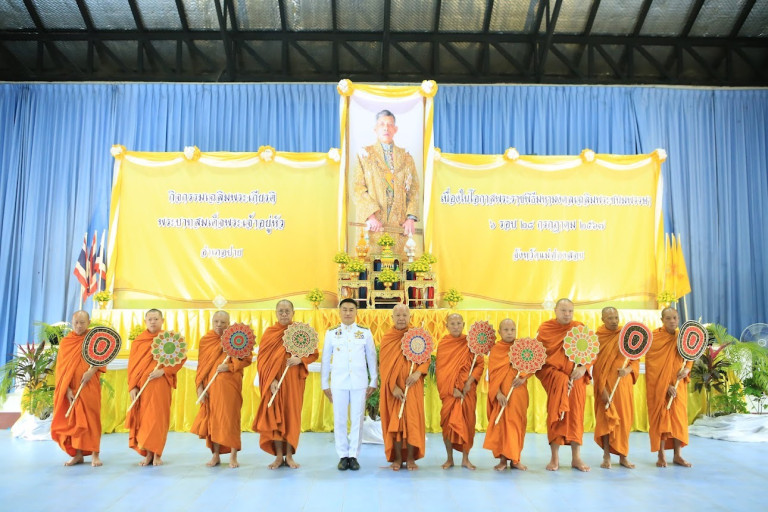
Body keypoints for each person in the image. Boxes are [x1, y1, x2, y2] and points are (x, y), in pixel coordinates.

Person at [252, 300, 319, 469]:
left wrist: (300, 359)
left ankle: (289, 456)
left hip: (293, 382)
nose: (284, 314)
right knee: (276, 419)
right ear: (276, 313)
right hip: (274, 383)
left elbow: (314, 354)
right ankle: (278, 456)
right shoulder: (270, 333)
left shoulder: (300, 331)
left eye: (287, 311)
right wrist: (271, 380)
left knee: (291, 417)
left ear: (293, 313)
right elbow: (262, 361)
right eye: (280, 311)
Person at [321, 298, 378, 471]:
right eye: (344, 309)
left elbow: (371, 357)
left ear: (356, 312)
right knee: (339, 419)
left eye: (351, 310)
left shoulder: (364, 332)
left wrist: (373, 380)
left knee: (357, 419)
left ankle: (353, 455)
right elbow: (325, 359)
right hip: (338, 383)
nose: (347, 313)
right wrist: (325, 384)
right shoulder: (332, 333)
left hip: (359, 382)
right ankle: (342, 455)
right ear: (339, 312)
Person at [353, 109, 420, 254]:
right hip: (374, 225)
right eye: (382, 124)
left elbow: (414, 189)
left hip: (399, 225)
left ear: (395, 129)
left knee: (398, 265)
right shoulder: (365, 155)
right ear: (375, 129)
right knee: (372, 264)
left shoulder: (406, 157)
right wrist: (370, 216)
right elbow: (358, 188)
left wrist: (410, 218)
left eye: (390, 124)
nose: (386, 128)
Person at [535, 298, 591, 472]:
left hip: (576, 380)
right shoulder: (546, 329)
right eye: (563, 311)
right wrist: (559, 377)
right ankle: (554, 458)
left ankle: (576, 457)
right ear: (555, 311)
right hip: (556, 380)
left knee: (576, 417)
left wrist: (583, 367)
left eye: (570, 311)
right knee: (555, 415)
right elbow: (539, 356)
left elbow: (591, 352)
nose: (567, 314)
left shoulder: (579, 328)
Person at [191, 311, 252, 468]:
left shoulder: (236, 338)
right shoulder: (206, 340)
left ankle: (233, 456)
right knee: (214, 420)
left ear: (228, 323)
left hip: (230, 386)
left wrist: (229, 366)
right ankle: (215, 455)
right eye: (216, 321)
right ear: (212, 322)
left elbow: (247, 360)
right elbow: (201, 366)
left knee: (231, 419)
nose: (219, 325)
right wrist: (200, 387)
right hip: (211, 387)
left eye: (223, 322)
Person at [126, 308, 186, 466]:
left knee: (158, 419)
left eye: (156, 319)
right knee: (144, 420)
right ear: (145, 321)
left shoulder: (169, 339)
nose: (153, 322)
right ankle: (147, 454)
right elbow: (132, 366)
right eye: (150, 319)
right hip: (142, 387)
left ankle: (157, 453)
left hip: (160, 385)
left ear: (162, 321)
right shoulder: (139, 341)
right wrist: (132, 386)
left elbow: (181, 357)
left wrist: (164, 371)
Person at [50, 310, 105, 467]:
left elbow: (102, 357)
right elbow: (61, 369)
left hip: (89, 385)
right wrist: (66, 390)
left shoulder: (94, 339)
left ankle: (95, 454)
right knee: (74, 421)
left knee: (92, 419)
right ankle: (78, 454)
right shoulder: (66, 342)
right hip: (72, 388)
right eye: (76, 323)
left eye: (82, 322)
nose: (79, 326)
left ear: (89, 323)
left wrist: (91, 372)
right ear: (72, 323)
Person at [378, 304, 429, 470]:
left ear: (410, 317)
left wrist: (418, 373)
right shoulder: (388, 338)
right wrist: (392, 387)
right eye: (398, 315)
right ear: (392, 318)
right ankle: (398, 459)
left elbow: (426, 358)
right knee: (397, 423)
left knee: (412, 421)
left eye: (404, 315)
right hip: (395, 390)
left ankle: (411, 458)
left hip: (412, 386)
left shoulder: (417, 335)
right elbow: (384, 366)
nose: (401, 318)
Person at [592, 307, 639, 469]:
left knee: (624, 421)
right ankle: (606, 456)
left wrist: (628, 370)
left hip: (623, 386)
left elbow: (635, 359)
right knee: (606, 421)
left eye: (616, 317)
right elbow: (595, 367)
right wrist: (602, 390)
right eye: (610, 318)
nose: (614, 321)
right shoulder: (597, 338)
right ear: (603, 319)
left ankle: (623, 456)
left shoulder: (626, 335)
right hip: (605, 386)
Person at [646, 307, 692, 467]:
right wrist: (665, 386)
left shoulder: (683, 337)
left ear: (678, 319)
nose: (672, 321)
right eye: (668, 318)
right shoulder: (654, 338)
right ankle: (661, 455)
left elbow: (690, 355)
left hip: (678, 384)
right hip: (660, 387)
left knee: (678, 419)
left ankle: (678, 455)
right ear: (662, 320)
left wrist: (687, 369)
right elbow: (652, 368)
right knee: (661, 419)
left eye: (675, 318)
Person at [435, 313, 483, 470]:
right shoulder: (444, 344)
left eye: (458, 323)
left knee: (467, 424)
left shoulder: (472, 343)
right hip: (451, 393)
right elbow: (441, 371)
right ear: (446, 326)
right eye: (452, 324)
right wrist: (451, 389)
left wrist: (470, 381)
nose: (456, 326)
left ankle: (465, 459)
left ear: (463, 324)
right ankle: (449, 459)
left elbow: (479, 364)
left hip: (467, 391)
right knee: (447, 425)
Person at [483, 318, 529, 471]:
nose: (510, 333)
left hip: (518, 393)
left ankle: (515, 459)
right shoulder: (496, 350)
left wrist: (524, 377)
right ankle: (502, 460)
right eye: (506, 330)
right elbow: (492, 375)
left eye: (512, 330)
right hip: (502, 395)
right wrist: (497, 394)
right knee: (502, 426)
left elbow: (531, 366)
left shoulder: (522, 347)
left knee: (517, 425)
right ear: (499, 332)